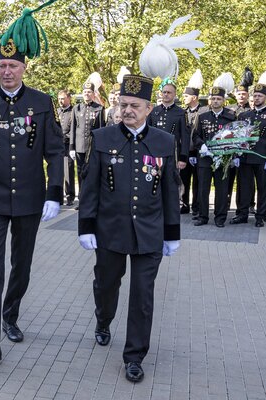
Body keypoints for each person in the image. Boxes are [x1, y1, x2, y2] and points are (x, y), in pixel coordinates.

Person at [0, 3, 63, 362]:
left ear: (23, 67)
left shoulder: (42, 102)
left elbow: (54, 151)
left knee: (21, 264)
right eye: (2, 66)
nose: (7, 71)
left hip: (30, 199)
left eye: (13, 65)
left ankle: (10, 315)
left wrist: (55, 193)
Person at [78, 74, 180, 383]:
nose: (127, 111)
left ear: (149, 108)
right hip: (110, 229)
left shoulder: (163, 141)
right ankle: (103, 319)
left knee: (142, 296)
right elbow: (90, 186)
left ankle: (134, 356)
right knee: (107, 284)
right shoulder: (105, 137)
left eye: (134, 105)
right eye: (123, 105)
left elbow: (170, 190)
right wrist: (86, 227)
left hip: (149, 231)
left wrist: (172, 233)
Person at [192, 84, 236, 227]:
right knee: (203, 189)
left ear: (224, 100)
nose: (215, 101)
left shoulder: (230, 117)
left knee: (222, 189)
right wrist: (202, 146)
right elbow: (195, 135)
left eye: (218, 99)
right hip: (205, 158)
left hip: (222, 159)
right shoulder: (202, 116)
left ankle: (220, 218)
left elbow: (235, 137)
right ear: (210, 100)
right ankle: (203, 217)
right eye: (213, 98)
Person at [230, 82, 266, 227]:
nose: (256, 98)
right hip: (245, 157)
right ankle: (242, 214)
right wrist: (236, 155)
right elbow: (237, 137)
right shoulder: (244, 115)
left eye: (260, 96)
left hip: (262, 158)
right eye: (255, 95)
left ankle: (260, 216)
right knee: (244, 187)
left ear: (265, 98)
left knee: (263, 188)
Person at [147, 79, 189, 207]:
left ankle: (172, 205)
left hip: (173, 154)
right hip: (154, 153)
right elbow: (147, 133)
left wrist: (183, 158)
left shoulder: (181, 113)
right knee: (153, 178)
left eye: (169, 92)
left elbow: (185, 137)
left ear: (175, 94)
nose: (166, 94)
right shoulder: (153, 111)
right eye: (164, 92)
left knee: (171, 181)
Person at [70, 81, 105, 195]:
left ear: (93, 94)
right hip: (80, 146)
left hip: (93, 147)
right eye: (85, 92)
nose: (87, 94)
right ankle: (81, 196)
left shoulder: (99, 108)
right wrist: (71, 147)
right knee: (80, 172)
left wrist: (100, 146)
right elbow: (73, 128)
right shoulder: (77, 108)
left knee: (93, 171)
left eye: (89, 92)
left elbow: (101, 129)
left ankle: (92, 195)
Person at [181, 70, 204, 217]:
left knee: (198, 182)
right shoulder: (182, 112)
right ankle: (184, 204)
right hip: (185, 151)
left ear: (194, 97)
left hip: (198, 152)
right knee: (184, 180)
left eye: (186, 96)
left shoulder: (203, 112)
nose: (183, 98)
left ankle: (197, 207)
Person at [57, 90, 75, 206]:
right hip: (57, 145)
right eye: (59, 99)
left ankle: (70, 196)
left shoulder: (73, 111)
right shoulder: (57, 111)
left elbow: (73, 129)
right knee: (56, 170)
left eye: (63, 98)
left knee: (68, 171)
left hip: (67, 144)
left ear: (69, 98)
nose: (60, 101)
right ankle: (58, 197)